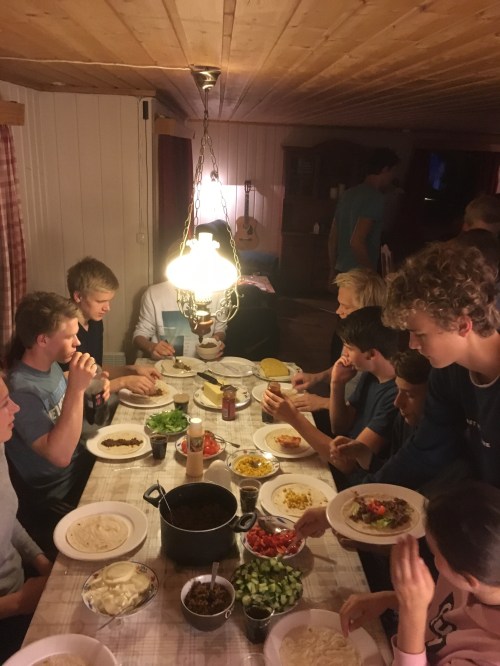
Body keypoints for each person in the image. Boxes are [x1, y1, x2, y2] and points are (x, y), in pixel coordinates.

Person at [379, 240, 500, 489]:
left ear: (462, 325)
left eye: (420, 334)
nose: (412, 344)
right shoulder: (448, 373)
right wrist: (357, 495)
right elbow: (425, 452)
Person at [339, 480, 500, 664]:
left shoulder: (490, 657)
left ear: (469, 580)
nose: (432, 560)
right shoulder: (483, 575)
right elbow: (444, 608)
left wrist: (411, 611)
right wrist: (387, 600)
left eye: (434, 554)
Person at [5, 292, 104, 555]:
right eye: (70, 336)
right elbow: (59, 456)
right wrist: (77, 389)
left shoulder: (50, 366)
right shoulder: (21, 390)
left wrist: (94, 385)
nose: (78, 342)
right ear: (43, 340)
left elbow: (65, 401)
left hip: (81, 468)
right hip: (57, 495)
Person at [262, 306, 399, 486]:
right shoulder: (371, 375)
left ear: (371, 354)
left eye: (349, 348)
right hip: (337, 460)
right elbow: (339, 427)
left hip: (356, 484)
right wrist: (337, 383)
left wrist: (293, 417)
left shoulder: (395, 396)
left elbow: (348, 463)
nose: (345, 355)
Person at [0, 376, 52, 662]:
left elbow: (6, 519)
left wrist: (41, 561)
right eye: (4, 404)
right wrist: (19, 603)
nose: (16, 408)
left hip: (22, 588)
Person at [291, 268, 387, 414]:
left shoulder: (377, 353)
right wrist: (316, 377)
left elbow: (363, 412)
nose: (338, 311)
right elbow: (343, 369)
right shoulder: (353, 335)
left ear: (367, 310)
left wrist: (323, 402)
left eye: (346, 306)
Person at [133, 224, 230, 360]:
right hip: (166, 364)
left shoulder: (217, 290)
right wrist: (152, 347)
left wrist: (215, 341)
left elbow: (220, 329)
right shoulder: (154, 294)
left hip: (204, 363)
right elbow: (139, 335)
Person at [66, 257, 160, 394]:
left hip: (96, 402)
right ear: (78, 296)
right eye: (100, 301)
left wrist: (131, 370)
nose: (107, 308)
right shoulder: (63, 328)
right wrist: (123, 382)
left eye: (109, 301)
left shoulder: (95, 322)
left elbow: (96, 370)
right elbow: (67, 386)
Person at [328, 147, 399, 277]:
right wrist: (372, 275)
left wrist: (332, 269)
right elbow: (356, 242)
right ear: (385, 169)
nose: (394, 176)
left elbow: (333, 237)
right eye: (393, 171)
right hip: (359, 276)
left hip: (341, 272)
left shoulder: (347, 194)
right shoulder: (375, 197)